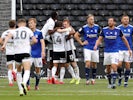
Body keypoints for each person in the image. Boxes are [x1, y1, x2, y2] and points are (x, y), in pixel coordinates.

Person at [1, 18, 37, 96]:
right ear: (25, 24)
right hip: (25, 52)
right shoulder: (28, 30)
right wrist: (29, 43)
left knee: (19, 71)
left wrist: (4, 45)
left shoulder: (14, 31)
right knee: (27, 70)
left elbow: (7, 37)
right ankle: (24, 82)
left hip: (16, 53)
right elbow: (34, 40)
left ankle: (20, 91)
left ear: (18, 24)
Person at [94, 17, 132, 89]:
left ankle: (114, 84)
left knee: (114, 66)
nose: (110, 22)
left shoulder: (118, 30)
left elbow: (124, 39)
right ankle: (110, 82)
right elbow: (99, 39)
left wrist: (129, 49)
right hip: (107, 51)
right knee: (108, 68)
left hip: (115, 51)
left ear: (114, 22)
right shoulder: (104, 30)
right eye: (109, 21)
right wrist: (96, 45)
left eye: (111, 21)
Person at [75, 14, 100, 85]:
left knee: (94, 64)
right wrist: (81, 43)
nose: (92, 20)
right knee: (88, 63)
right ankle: (87, 79)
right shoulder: (84, 28)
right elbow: (76, 35)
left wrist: (97, 43)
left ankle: (93, 78)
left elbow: (101, 36)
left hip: (95, 48)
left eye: (93, 19)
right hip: (87, 48)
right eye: (91, 19)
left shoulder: (97, 27)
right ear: (87, 20)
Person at [28, 18, 45, 90]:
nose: (30, 24)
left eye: (31, 23)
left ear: (35, 23)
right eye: (29, 23)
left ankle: (36, 85)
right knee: (27, 69)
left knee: (38, 70)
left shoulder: (39, 32)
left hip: (37, 54)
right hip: (29, 53)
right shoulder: (27, 32)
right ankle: (27, 85)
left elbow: (42, 42)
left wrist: (43, 51)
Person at [41, 11, 58, 84]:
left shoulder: (50, 20)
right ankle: (42, 57)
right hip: (43, 37)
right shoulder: (52, 22)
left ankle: (42, 57)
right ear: (55, 16)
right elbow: (50, 31)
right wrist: (56, 28)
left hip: (44, 37)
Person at [62, 19, 80, 84]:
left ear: (68, 24)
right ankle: (74, 77)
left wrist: (70, 34)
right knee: (66, 64)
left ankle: (78, 78)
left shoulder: (70, 29)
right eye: (63, 24)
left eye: (65, 24)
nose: (64, 25)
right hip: (65, 49)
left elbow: (71, 35)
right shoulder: (64, 30)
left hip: (71, 49)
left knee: (73, 63)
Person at [117, 15, 133, 87]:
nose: (126, 20)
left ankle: (126, 81)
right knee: (119, 64)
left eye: (127, 19)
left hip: (128, 49)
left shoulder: (131, 28)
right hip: (119, 48)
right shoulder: (118, 28)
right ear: (122, 20)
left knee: (127, 64)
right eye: (125, 19)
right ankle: (120, 76)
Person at [0, 20, 16, 86]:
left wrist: (4, 45)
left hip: (9, 51)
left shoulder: (5, 33)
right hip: (16, 51)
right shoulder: (16, 32)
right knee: (20, 65)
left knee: (9, 67)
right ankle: (14, 71)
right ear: (15, 25)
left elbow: (0, 40)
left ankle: (10, 82)